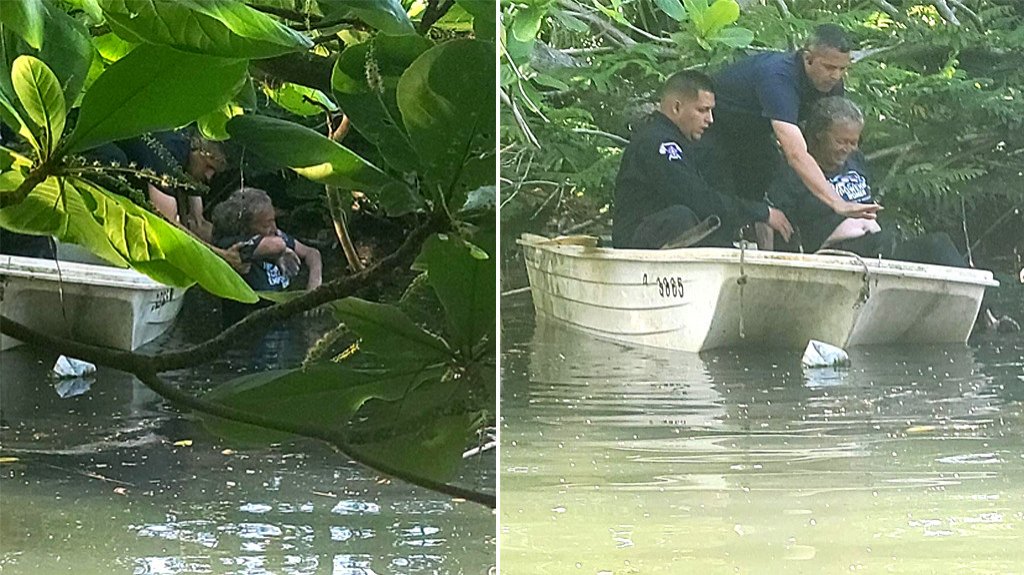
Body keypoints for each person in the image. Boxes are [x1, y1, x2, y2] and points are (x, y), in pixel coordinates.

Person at [769, 96, 1019, 332]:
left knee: (938, 244)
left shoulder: (856, 162)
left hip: (880, 246)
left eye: (853, 142)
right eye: (840, 141)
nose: (848, 148)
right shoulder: (795, 175)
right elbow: (778, 225)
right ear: (818, 136)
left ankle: (985, 316)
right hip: (838, 258)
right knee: (884, 242)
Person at [709, 24, 880, 247]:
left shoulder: (833, 84)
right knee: (725, 200)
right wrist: (838, 203)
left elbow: (819, 138)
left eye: (842, 69)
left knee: (776, 186)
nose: (835, 76)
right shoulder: (779, 77)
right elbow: (796, 153)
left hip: (756, 136)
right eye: (829, 67)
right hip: (714, 129)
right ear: (808, 58)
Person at [612, 70, 793, 249]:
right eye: (702, 110)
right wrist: (761, 213)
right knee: (682, 217)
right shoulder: (658, 143)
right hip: (636, 245)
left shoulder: (680, 143)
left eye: (711, 111)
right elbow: (698, 199)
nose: (710, 119)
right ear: (676, 108)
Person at [211, 187, 322, 324]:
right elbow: (277, 245)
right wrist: (282, 251)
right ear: (245, 227)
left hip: (282, 316)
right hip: (250, 326)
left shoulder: (273, 234)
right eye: (266, 225)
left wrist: (314, 286)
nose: (274, 229)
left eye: (273, 221)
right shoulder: (234, 245)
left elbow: (312, 253)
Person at [117, 130, 225, 242]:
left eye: (214, 172)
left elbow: (198, 221)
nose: (209, 176)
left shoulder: (185, 146)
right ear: (197, 151)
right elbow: (168, 223)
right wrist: (221, 254)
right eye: (208, 167)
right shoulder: (168, 157)